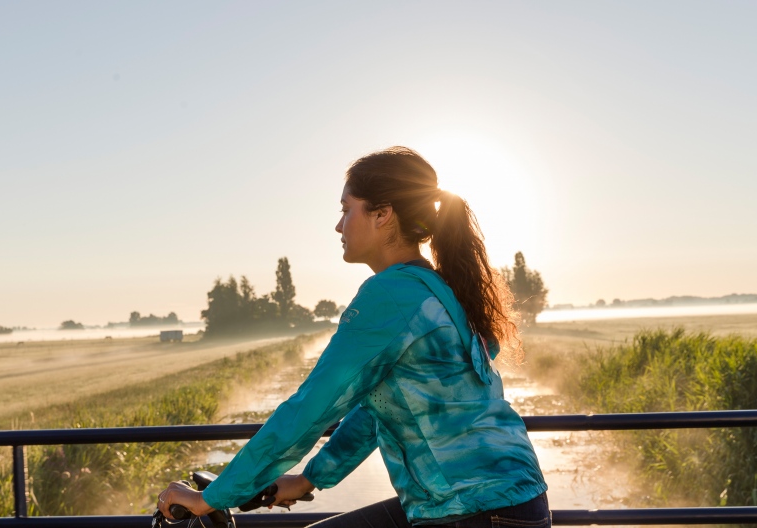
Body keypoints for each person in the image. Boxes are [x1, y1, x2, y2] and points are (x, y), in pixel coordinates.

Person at [157, 147, 549, 527]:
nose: (339, 225)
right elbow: (375, 409)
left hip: (473, 509)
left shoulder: (390, 295)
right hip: (501, 498)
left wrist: (211, 498)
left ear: (382, 215)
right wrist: (309, 478)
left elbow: (309, 408)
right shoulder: (436, 289)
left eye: (346, 210)